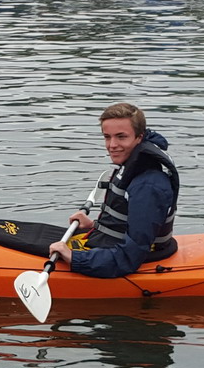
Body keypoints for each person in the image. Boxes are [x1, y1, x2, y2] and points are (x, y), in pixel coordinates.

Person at [47, 102, 180, 278]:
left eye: (121, 137)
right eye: (107, 137)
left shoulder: (148, 186)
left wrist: (74, 258)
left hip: (137, 256)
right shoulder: (134, 163)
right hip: (115, 243)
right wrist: (95, 225)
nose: (112, 145)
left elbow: (131, 256)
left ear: (139, 137)